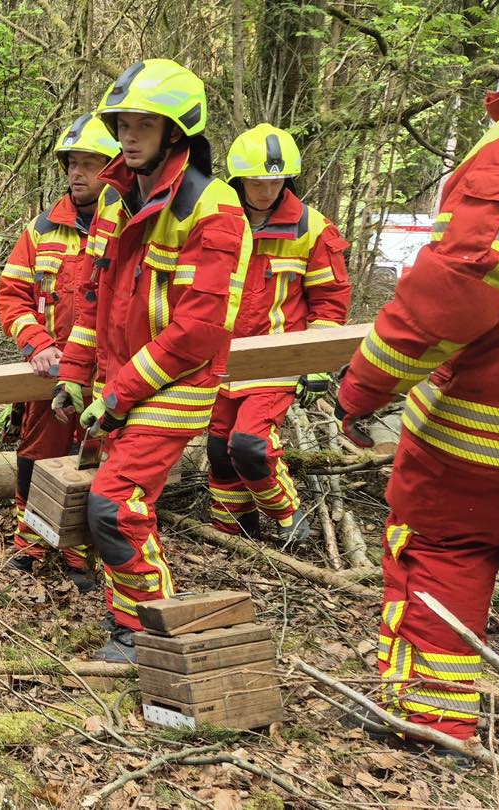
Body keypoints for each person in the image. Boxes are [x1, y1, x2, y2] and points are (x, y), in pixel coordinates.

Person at [335, 77, 499, 745]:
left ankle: (433, 724)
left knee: (444, 555)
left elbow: (453, 296)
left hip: (487, 439)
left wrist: (362, 390)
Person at [54, 59, 251, 663]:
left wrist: (122, 392)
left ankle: (147, 631)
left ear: (176, 130)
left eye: (144, 124)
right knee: (113, 508)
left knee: (113, 503)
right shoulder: (118, 198)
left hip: (180, 382)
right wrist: (74, 377)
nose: (129, 136)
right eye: (122, 123)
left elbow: (198, 330)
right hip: (122, 378)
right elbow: (95, 297)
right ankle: (129, 621)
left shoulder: (213, 208)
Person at [205, 124, 351, 542]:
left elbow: (330, 300)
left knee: (249, 444)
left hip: (278, 359)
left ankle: (288, 514)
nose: (266, 190)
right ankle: (232, 532)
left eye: (275, 181)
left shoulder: (312, 229)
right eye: (256, 182)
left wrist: (317, 363)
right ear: (239, 179)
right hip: (223, 359)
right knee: (219, 450)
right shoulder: (218, 222)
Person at [0, 112, 119, 591]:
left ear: (114, 169)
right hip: (49, 375)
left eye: (90, 162)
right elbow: (11, 296)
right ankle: (29, 544)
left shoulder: (131, 228)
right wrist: (36, 344)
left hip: (110, 377)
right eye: (72, 163)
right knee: (37, 457)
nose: (78, 173)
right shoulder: (42, 229)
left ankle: (76, 552)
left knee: (93, 462)